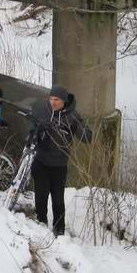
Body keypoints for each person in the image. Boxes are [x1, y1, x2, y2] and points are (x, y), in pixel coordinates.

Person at [31, 84, 92, 236]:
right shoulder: (45, 110)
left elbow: (87, 137)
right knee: (40, 196)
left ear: (64, 100)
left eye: (57, 99)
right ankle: (41, 224)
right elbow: (32, 128)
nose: (53, 102)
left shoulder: (73, 116)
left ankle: (59, 231)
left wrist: (81, 130)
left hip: (59, 166)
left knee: (58, 200)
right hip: (41, 161)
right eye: (51, 99)